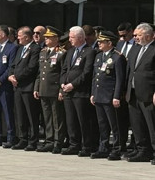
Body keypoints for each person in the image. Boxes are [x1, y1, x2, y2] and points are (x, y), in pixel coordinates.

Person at [59, 26, 97, 156]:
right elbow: (64, 69)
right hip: (68, 92)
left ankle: (86, 145)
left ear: (81, 38)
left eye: (72, 37)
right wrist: (63, 83)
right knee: (71, 120)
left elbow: (87, 72)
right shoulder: (70, 52)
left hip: (80, 92)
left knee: (83, 120)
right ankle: (74, 144)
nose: (70, 40)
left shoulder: (89, 51)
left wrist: (73, 85)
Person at [90, 30, 127, 160]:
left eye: (102, 42)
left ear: (109, 43)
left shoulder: (117, 57)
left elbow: (119, 79)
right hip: (99, 95)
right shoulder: (99, 56)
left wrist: (116, 96)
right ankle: (103, 147)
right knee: (102, 124)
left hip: (109, 96)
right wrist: (93, 93)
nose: (99, 44)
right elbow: (95, 77)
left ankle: (117, 149)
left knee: (114, 125)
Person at [124, 23, 155, 162]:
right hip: (133, 92)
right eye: (135, 35)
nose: (135, 37)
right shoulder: (135, 49)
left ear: (148, 36)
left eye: (138, 35)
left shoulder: (153, 50)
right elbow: (130, 70)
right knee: (137, 124)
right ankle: (143, 150)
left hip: (148, 93)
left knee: (151, 124)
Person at [34, 27, 66, 153]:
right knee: (47, 117)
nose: (46, 39)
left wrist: (61, 90)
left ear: (56, 39)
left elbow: (63, 73)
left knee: (57, 117)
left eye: (49, 37)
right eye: (46, 37)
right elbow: (40, 72)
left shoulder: (61, 53)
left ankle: (58, 141)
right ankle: (49, 140)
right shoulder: (43, 52)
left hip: (54, 89)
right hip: (43, 88)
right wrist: (36, 87)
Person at [8, 26, 41, 150]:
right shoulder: (20, 48)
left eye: (20, 36)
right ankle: (22, 138)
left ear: (27, 37)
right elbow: (13, 65)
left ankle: (33, 140)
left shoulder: (35, 48)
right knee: (20, 114)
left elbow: (32, 67)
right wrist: (11, 75)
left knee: (31, 115)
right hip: (17, 87)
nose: (18, 38)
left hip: (27, 86)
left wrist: (17, 77)